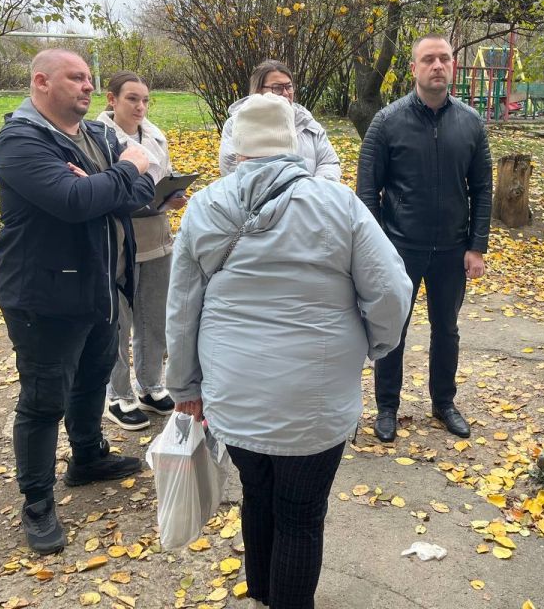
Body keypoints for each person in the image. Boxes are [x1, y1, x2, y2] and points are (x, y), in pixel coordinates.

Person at [167, 92, 411, 609]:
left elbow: (182, 307)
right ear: (295, 142)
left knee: (256, 496)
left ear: (235, 146)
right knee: (301, 514)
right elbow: (391, 289)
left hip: (233, 391)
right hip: (315, 398)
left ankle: (261, 595)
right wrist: (377, 343)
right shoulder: (337, 202)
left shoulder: (205, 205)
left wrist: (184, 385)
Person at [0, 49, 159, 554]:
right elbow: (73, 202)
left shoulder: (94, 136)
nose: (88, 86)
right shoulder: (20, 141)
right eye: (76, 78)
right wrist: (120, 173)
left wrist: (107, 183)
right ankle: (37, 502)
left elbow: (135, 195)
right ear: (41, 82)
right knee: (44, 399)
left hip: (99, 285)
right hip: (44, 295)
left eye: (89, 78)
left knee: (92, 378)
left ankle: (87, 457)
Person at [356, 33, 493, 443]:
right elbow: (367, 191)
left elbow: (483, 188)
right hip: (399, 247)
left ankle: (444, 402)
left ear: (453, 66)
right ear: (413, 68)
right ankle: (386, 407)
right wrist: (377, 247)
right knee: (392, 329)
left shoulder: (470, 123)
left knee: (446, 329)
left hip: (452, 249)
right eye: (428, 59)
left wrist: (477, 246)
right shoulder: (387, 122)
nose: (437, 66)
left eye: (444, 59)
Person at [96, 72, 184, 430]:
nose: (141, 107)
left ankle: (151, 385)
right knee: (119, 320)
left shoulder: (155, 134)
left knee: (154, 315)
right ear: (112, 99)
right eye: (132, 99)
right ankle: (118, 394)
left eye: (145, 99)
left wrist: (174, 195)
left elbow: (166, 174)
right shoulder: (96, 137)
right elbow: (103, 190)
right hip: (118, 240)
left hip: (157, 237)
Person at [218, 59, 341, 180]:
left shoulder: (307, 123)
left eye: (289, 86)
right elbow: (231, 169)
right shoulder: (236, 124)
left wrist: (313, 191)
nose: (286, 93)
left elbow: (329, 163)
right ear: (258, 90)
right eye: (277, 88)